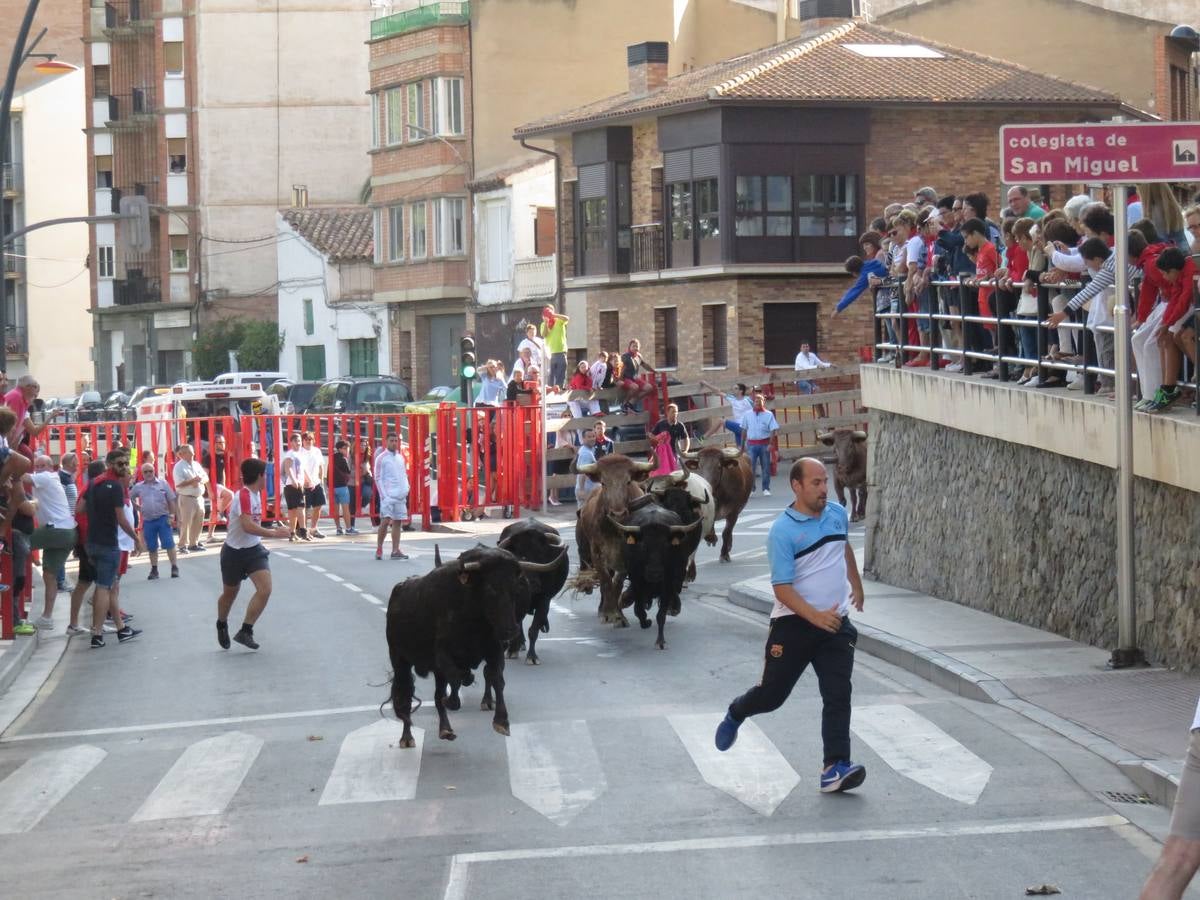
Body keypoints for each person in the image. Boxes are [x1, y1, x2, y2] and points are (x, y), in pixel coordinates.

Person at [713, 458, 867, 794]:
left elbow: (844, 548)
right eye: (815, 482)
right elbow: (782, 589)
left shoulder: (837, 514)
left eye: (825, 481)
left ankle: (834, 767)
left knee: (838, 694)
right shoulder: (782, 531)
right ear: (796, 486)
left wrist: (856, 584)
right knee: (771, 696)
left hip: (835, 625)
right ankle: (737, 712)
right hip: (793, 625)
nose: (824, 488)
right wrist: (815, 617)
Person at [216, 458, 278, 651]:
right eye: (265, 474)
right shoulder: (243, 495)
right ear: (260, 476)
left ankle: (246, 630)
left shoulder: (256, 494)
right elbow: (247, 526)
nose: (267, 477)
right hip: (233, 553)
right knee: (229, 595)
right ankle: (221, 623)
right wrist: (274, 533)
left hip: (253, 551)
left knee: (265, 589)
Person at [85, 449, 141, 648]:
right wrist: (136, 538)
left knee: (109, 588)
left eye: (126, 463)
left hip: (92, 542)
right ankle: (97, 634)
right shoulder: (115, 487)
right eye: (120, 463)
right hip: (107, 544)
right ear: (109, 464)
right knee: (104, 588)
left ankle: (120, 629)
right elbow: (121, 519)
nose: (124, 467)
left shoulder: (93, 483)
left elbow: (80, 509)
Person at [27, 455, 79, 629]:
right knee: (49, 576)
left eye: (43, 465)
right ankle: (47, 618)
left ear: (51, 467)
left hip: (56, 530)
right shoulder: (50, 478)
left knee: (17, 542)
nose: (39, 468)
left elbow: (22, 476)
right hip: (67, 532)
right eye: (37, 466)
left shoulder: (47, 477)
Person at [130, 462, 180, 580]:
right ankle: (154, 570)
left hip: (163, 518)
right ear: (142, 474)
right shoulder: (138, 486)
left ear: (154, 471)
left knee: (169, 544)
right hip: (148, 521)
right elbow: (128, 496)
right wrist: (136, 506)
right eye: (145, 472)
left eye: (150, 471)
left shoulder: (163, 483)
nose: (148, 474)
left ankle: (174, 567)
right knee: (152, 547)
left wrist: (172, 516)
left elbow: (172, 500)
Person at [4, 374, 64, 453]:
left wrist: (51, 416)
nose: (35, 396)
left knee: (27, 457)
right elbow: (10, 428)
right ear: (28, 387)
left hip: (9, 444)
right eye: (35, 388)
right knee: (27, 458)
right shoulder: (17, 397)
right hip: (5, 444)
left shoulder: (21, 401)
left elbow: (34, 431)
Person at [374, 433, 410, 561]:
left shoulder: (400, 457)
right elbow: (377, 478)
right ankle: (379, 547)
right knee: (385, 521)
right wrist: (384, 496)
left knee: (398, 522)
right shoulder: (381, 458)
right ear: (386, 442)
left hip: (400, 496)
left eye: (396, 441)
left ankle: (395, 550)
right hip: (388, 496)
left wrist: (406, 488)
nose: (394, 443)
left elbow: (404, 475)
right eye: (392, 441)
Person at [172, 443, 208, 552]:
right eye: (190, 451)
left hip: (198, 497)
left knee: (198, 521)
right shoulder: (178, 467)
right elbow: (178, 484)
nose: (193, 453)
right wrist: (192, 481)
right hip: (187, 497)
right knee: (185, 522)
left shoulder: (196, 464)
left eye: (192, 451)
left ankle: (194, 543)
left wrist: (200, 480)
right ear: (182, 454)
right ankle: (182, 545)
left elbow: (205, 477)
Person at [743, 393, 780, 496]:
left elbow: (773, 430)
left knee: (766, 467)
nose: (758, 403)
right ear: (753, 403)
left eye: (760, 401)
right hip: (751, 444)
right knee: (751, 468)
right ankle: (752, 489)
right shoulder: (747, 414)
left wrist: (770, 444)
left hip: (764, 443)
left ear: (763, 403)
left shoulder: (769, 414)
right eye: (756, 401)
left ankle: (766, 488)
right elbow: (744, 429)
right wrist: (743, 444)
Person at [702, 381, 752, 448]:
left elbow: (758, 408)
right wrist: (705, 383)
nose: (733, 390)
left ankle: (702, 438)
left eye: (736, 388)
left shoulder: (747, 400)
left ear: (741, 391)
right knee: (740, 449)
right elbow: (717, 391)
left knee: (720, 421)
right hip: (737, 427)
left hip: (745, 427)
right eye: (733, 388)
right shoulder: (732, 398)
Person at [205, 434, 234, 543]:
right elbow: (205, 475)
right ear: (214, 444)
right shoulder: (208, 457)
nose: (222, 445)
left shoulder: (223, 456)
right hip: (213, 485)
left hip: (221, 485)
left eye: (223, 442)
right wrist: (209, 490)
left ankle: (209, 536)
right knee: (230, 495)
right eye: (219, 442)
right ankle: (219, 514)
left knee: (214, 510)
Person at [794, 342, 832, 417]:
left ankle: (822, 416)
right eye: (804, 347)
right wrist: (817, 366)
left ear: (809, 347)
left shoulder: (812, 355)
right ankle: (821, 416)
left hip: (809, 379)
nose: (805, 348)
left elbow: (820, 363)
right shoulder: (799, 357)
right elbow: (806, 367)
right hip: (800, 380)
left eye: (807, 346)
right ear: (801, 348)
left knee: (818, 392)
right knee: (814, 393)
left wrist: (830, 365)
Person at [281, 432, 307, 541]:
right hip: (293, 485)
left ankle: (292, 533)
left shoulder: (299, 454)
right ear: (291, 442)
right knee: (300, 508)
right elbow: (288, 468)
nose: (298, 443)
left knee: (292, 510)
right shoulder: (290, 454)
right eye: (296, 441)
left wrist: (308, 480)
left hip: (294, 484)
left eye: (299, 441)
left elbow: (302, 470)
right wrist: (294, 480)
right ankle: (303, 532)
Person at [300, 432, 327, 539]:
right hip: (304, 484)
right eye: (306, 439)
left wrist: (321, 480)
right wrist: (304, 481)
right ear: (303, 441)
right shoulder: (300, 452)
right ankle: (304, 530)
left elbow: (321, 466)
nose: (308, 441)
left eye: (310, 439)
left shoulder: (317, 451)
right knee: (305, 508)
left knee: (318, 506)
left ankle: (314, 529)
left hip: (316, 482)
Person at [619, 339, 657, 410]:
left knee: (649, 388)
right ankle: (624, 404)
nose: (635, 348)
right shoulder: (625, 356)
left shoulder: (638, 356)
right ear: (629, 347)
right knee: (635, 387)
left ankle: (631, 403)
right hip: (626, 378)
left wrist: (653, 371)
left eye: (637, 346)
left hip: (634, 378)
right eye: (633, 346)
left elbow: (645, 365)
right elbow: (621, 368)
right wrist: (620, 380)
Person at [331, 440, 357, 535]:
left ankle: (338, 528)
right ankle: (349, 528)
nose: (347, 450)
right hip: (342, 486)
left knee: (336, 509)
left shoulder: (332, 458)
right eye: (345, 448)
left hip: (332, 487)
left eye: (347, 448)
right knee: (346, 509)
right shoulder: (343, 459)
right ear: (340, 449)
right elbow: (348, 471)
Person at [540, 306, 571, 388]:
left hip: (561, 351)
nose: (548, 313)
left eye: (550, 311)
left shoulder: (559, 321)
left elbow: (567, 318)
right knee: (550, 375)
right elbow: (544, 334)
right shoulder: (543, 324)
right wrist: (546, 322)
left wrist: (554, 315)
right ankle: (549, 391)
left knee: (560, 374)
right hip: (549, 354)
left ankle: (559, 389)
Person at [574, 429, 598, 509]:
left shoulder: (587, 450)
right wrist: (581, 490)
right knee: (585, 517)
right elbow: (583, 472)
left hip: (590, 489)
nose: (592, 438)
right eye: (589, 437)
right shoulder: (586, 453)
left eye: (593, 436)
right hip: (587, 490)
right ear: (583, 439)